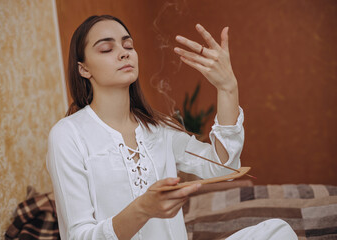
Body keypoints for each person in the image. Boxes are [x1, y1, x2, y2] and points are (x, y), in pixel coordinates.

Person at [46, 15, 297, 240]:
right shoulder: (68, 135)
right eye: (106, 48)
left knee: (277, 230)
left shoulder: (159, 129)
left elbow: (222, 167)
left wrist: (227, 88)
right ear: (83, 68)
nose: (124, 53)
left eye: (128, 45)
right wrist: (142, 209)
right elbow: (79, 236)